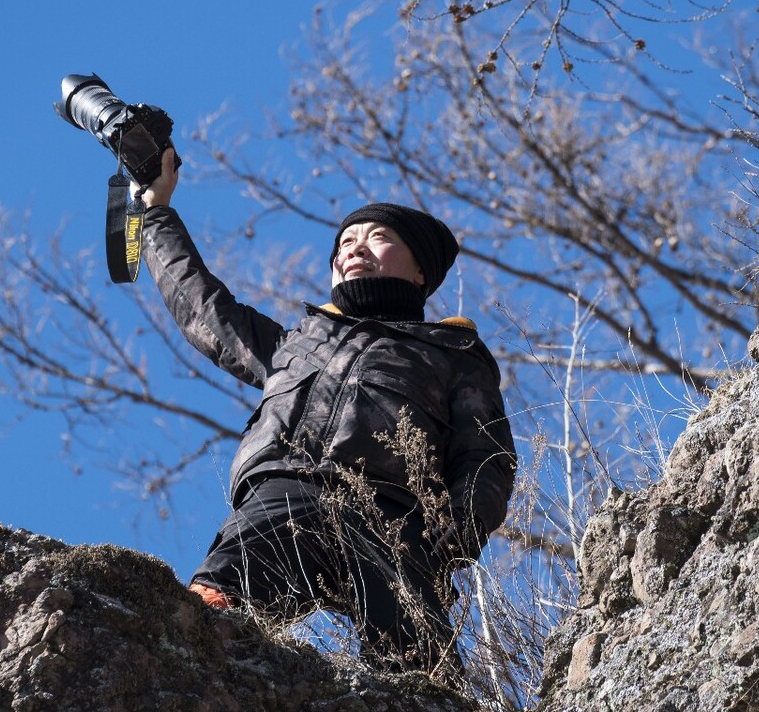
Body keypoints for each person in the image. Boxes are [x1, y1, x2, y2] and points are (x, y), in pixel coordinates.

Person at [138, 148, 516, 674]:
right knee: (206, 619)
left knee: (420, 673)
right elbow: (203, 306)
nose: (353, 250)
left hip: (396, 520)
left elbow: (486, 454)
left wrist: (455, 529)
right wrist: (154, 213)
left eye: (377, 238)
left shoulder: (453, 355)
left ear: (420, 273)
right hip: (283, 494)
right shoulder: (296, 343)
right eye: (345, 243)